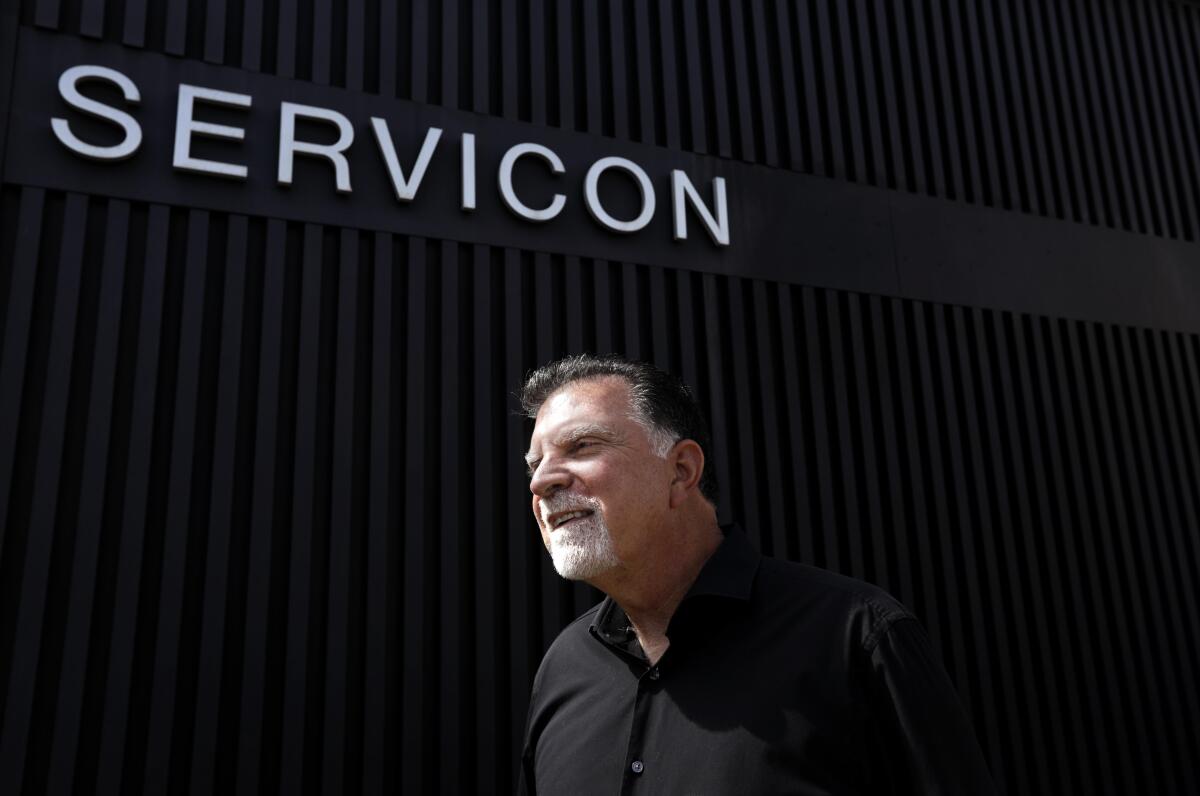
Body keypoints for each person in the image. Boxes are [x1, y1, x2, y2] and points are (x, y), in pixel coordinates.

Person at [516, 354, 998, 795]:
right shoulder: (564, 668)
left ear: (682, 470)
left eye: (580, 446)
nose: (541, 482)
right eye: (535, 466)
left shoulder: (856, 637)